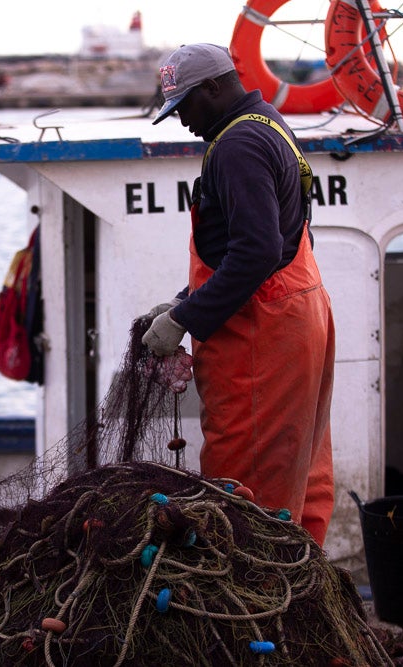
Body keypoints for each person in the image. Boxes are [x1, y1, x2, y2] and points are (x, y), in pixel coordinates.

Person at [141, 43, 336, 546]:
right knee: (300, 468)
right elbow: (272, 238)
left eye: (185, 105)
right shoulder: (268, 123)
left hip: (264, 333)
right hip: (299, 311)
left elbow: (255, 252)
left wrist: (185, 320)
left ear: (214, 87)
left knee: (241, 487)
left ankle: (255, 609)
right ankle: (301, 592)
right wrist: (186, 300)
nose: (182, 119)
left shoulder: (235, 145)